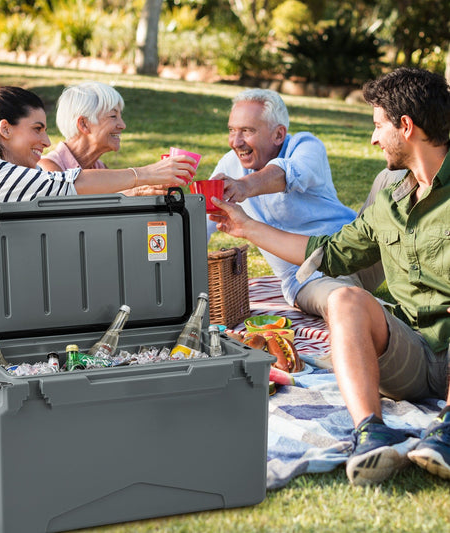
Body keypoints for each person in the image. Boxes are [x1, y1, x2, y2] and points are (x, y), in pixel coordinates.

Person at [210, 67, 450, 486]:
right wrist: (244, 226)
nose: (373, 138)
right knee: (343, 299)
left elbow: (286, 175)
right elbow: (333, 252)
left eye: (378, 126)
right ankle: (372, 433)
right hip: (412, 351)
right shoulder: (391, 192)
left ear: (406, 127)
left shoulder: (305, 148)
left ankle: (447, 433)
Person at [0, 86, 195, 397]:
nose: (47, 141)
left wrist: (136, 195)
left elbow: (76, 211)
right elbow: (67, 184)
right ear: (5, 129)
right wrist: (145, 173)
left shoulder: (16, 176)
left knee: (13, 364)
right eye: (37, 129)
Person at [206, 88, 388, 320]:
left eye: (247, 131)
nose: (236, 141)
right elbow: (203, 223)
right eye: (232, 130)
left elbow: (288, 174)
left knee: (392, 177)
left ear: (278, 135)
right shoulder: (228, 166)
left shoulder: (306, 146)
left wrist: (244, 186)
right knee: (346, 303)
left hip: (357, 251)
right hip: (309, 277)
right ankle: (390, 317)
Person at [39, 81, 168, 196]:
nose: (123, 125)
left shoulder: (99, 168)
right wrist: (133, 192)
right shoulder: (48, 170)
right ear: (84, 124)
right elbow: (73, 213)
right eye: (113, 116)